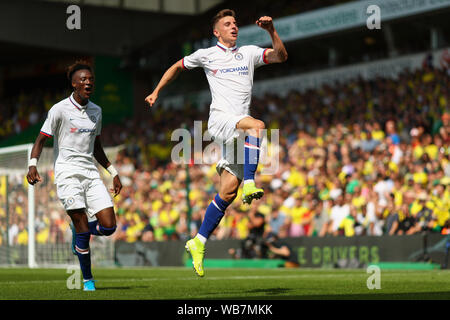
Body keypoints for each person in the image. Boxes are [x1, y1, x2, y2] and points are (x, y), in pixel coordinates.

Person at [144, 9, 287, 277]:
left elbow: (280, 56)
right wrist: (156, 91)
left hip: (237, 130)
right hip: (221, 121)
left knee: (227, 193)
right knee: (258, 126)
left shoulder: (249, 53)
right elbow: (177, 66)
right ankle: (251, 182)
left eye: (235, 23)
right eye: (227, 24)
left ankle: (198, 241)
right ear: (216, 32)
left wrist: (271, 31)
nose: (234, 27)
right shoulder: (207, 55)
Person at [26, 60, 122, 291]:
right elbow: (41, 140)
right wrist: (32, 165)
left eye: (91, 80)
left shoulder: (96, 111)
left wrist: (114, 172)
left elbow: (97, 147)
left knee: (109, 227)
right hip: (67, 173)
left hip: (90, 172)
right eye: (83, 80)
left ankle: (79, 231)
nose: (88, 83)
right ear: (73, 84)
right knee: (83, 230)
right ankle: (88, 279)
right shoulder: (59, 109)